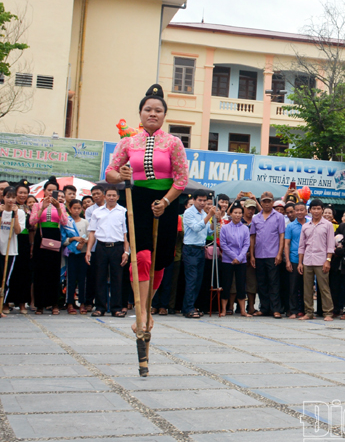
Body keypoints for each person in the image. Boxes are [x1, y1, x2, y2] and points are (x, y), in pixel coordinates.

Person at [105, 85, 188, 348]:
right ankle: (141, 313)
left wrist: (165, 202)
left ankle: (147, 307)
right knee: (141, 256)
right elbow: (110, 172)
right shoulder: (128, 142)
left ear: (164, 115)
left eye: (158, 110)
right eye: (148, 109)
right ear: (140, 113)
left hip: (167, 201)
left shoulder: (173, 143)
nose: (152, 113)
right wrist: (122, 176)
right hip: (137, 200)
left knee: (160, 261)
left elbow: (182, 178)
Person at [85, 186, 128, 317]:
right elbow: (92, 232)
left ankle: (116, 308)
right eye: (109, 195)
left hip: (117, 247)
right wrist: (88, 251)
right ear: (105, 196)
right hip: (101, 247)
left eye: (113, 195)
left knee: (117, 278)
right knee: (99, 277)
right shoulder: (97, 212)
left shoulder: (123, 211)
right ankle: (100, 307)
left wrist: (126, 252)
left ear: (118, 197)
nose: (111, 197)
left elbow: (126, 234)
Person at [29, 178, 68, 315]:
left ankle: (54, 303)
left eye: (54, 190)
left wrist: (58, 207)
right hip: (41, 237)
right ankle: (40, 304)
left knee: (53, 271)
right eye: (48, 190)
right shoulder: (37, 205)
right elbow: (32, 222)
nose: (51, 193)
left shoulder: (61, 206)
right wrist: (43, 208)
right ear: (44, 191)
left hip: (55, 237)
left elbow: (65, 222)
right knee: (40, 271)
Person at [0, 187, 26, 315]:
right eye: (8, 197)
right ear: (3, 197)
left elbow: (18, 231)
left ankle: (0, 305)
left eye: (13, 197)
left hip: (10, 247)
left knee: (5, 278)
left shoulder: (19, 212)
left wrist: (15, 216)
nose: (10, 200)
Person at [179, 190, 215, 319]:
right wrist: (208, 216)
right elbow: (196, 228)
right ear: (194, 200)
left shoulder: (204, 213)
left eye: (204, 200)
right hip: (190, 249)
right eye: (200, 200)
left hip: (201, 249)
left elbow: (209, 232)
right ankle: (188, 308)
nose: (202, 203)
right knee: (191, 280)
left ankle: (190, 306)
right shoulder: (189, 213)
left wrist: (214, 220)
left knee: (198, 281)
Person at [250, 191, 287, 318]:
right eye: (264, 201)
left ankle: (275, 309)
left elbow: (282, 235)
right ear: (260, 202)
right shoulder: (256, 218)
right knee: (261, 283)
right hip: (259, 255)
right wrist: (252, 255)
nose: (267, 204)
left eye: (269, 201)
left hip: (273, 255)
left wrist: (279, 254)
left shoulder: (279, 217)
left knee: (274, 282)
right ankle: (264, 308)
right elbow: (253, 237)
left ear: (272, 202)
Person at [298, 199, 335, 321]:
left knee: (324, 288)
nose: (316, 211)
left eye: (319, 208)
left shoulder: (328, 225)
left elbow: (330, 244)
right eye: (314, 209)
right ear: (310, 210)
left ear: (322, 210)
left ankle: (328, 312)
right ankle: (308, 312)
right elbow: (302, 246)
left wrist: (328, 260)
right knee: (307, 288)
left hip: (321, 260)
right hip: (307, 260)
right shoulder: (305, 226)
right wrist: (300, 262)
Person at [220, 202, 250, 317]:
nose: (237, 215)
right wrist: (233, 257)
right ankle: (224, 309)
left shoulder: (245, 228)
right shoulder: (225, 228)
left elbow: (246, 245)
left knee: (241, 285)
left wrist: (240, 257)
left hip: (241, 260)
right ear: (231, 214)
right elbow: (223, 244)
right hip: (228, 260)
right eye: (235, 213)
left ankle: (243, 310)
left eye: (239, 213)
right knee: (226, 284)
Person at [9, 181, 33, 314]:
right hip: (12, 238)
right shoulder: (10, 207)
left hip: (24, 241)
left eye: (25, 193)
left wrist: (31, 245)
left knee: (24, 273)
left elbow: (31, 230)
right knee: (11, 271)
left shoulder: (29, 209)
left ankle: (23, 303)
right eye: (20, 193)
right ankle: (7, 302)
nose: (23, 195)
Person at [61, 199, 88, 314]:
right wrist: (73, 239)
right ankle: (70, 303)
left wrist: (82, 243)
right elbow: (63, 240)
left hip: (83, 253)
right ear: (69, 209)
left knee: (83, 279)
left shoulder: (85, 222)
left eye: (79, 208)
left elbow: (90, 236)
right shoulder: (67, 222)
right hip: (72, 254)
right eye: (74, 208)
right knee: (71, 279)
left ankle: (82, 303)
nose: (76, 210)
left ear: (82, 209)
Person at [284, 202, 307, 319]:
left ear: (306, 211)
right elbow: (286, 244)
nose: (299, 212)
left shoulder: (310, 224)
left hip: (308, 260)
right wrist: (287, 260)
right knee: (293, 286)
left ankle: (304, 310)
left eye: (301, 210)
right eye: (296, 210)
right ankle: (293, 310)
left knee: (305, 287)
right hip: (293, 258)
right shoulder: (290, 226)